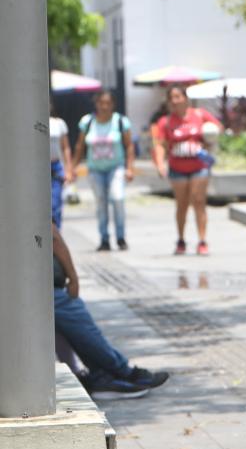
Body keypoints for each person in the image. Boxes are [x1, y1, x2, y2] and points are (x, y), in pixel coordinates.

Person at [51, 224, 169, 399]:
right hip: (44, 284)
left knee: (67, 324)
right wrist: (73, 277)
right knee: (76, 318)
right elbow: (51, 235)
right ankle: (119, 371)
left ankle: (102, 374)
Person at [152, 84, 220, 255]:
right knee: (182, 204)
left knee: (198, 201)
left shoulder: (200, 115)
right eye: (171, 98)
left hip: (199, 166)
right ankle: (181, 239)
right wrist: (160, 164)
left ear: (185, 98)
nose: (174, 101)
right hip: (177, 167)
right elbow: (159, 145)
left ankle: (202, 240)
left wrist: (208, 139)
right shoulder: (165, 122)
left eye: (178, 97)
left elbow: (218, 129)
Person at [73, 90, 135, 251]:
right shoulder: (87, 122)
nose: (104, 106)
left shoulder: (120, 121)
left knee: (117, 198)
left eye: (108, 103)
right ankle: (104, 238)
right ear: (96, 104)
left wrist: (130, 168)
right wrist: (72, 167)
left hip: (116, 167)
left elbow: (129, 146)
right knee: (101, 203)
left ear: (113, 104)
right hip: (95, 169)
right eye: (101, 103)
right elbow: (80, 146)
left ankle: (120, 237)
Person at [48, 97, 74, 228]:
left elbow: (66, 147)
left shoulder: (58, 123)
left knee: (55, 204)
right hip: (38, 168)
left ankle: (56, 238)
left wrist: (69, 169)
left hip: (55, 165)